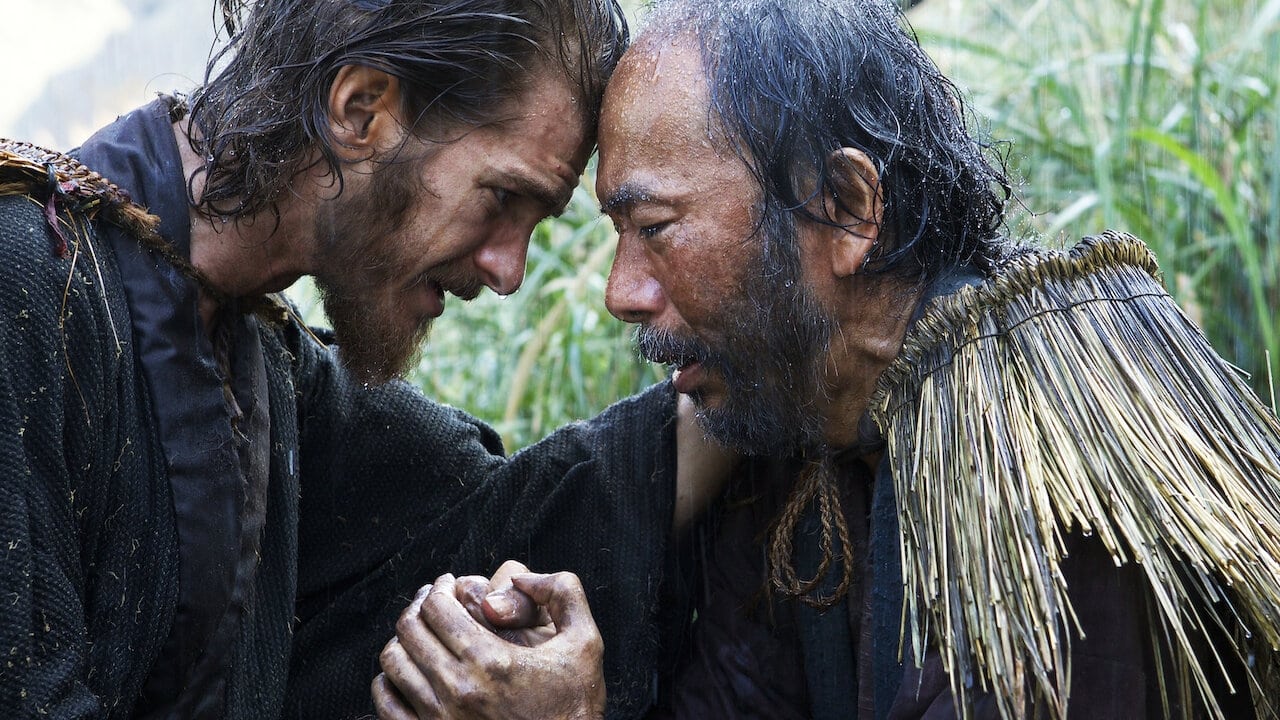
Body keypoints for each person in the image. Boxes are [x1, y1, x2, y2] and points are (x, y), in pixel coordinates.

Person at [379, 0, 1280, 717]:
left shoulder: (1050, 464)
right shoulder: (802, 429)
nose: (622, 291)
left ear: (847, 207)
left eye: (654, 227)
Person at [0, 1, 731, 718]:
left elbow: (503, 510)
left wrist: (750, 356)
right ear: (359, 112)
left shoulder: (257, 351)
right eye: (503, 197)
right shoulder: (26, 280)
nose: (509, 271)